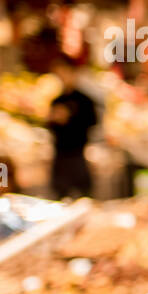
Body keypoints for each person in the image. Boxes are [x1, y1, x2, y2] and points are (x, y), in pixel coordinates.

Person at [46, 58, 98, 199]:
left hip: (78, 156)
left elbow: (93, 123)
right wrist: (53, 119)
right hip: (60, 157)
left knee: (84, 197)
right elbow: (49, 127)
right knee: (59, 197)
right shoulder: (56, 101)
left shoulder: (85, 100)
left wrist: (70, 117)